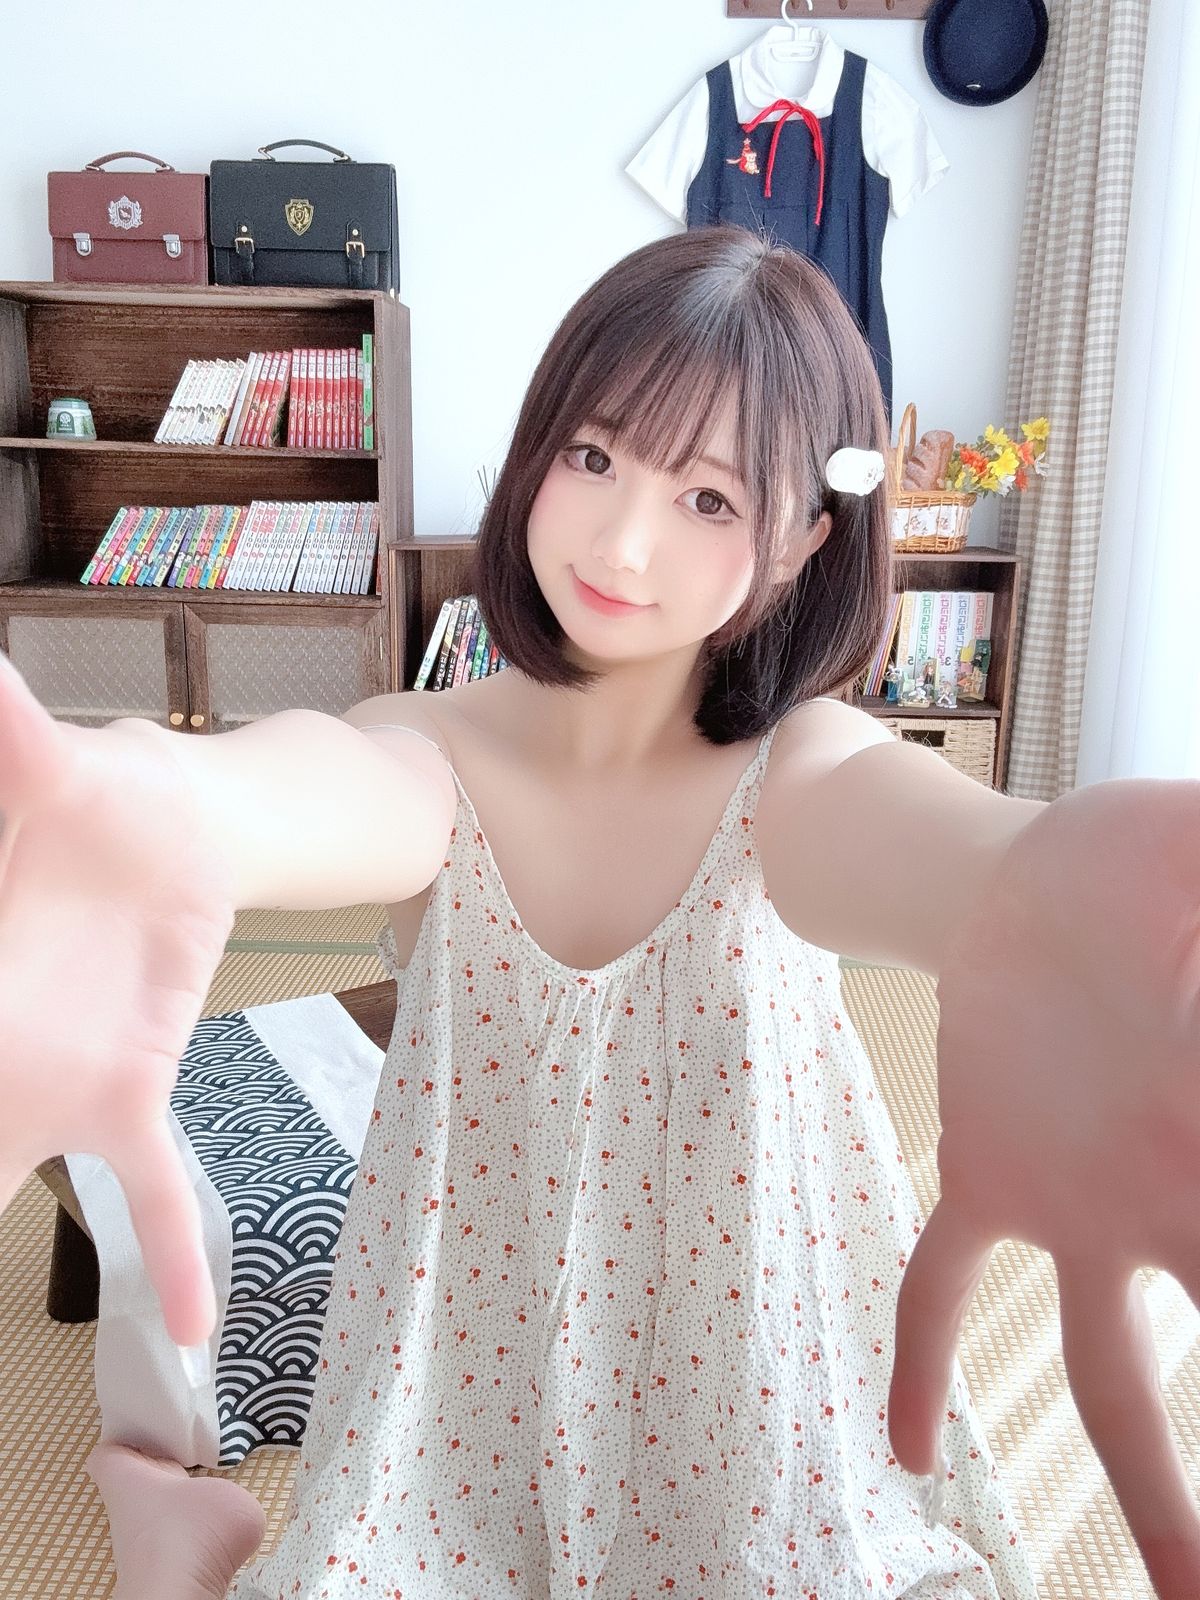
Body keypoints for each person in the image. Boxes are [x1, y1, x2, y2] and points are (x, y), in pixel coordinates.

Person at [1, 225, 1197, 1599]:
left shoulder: (798, 770)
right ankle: (171, 1515)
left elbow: (946, 856)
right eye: (593, 457)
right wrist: (156, 795)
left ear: (806, 536)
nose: (624, 542)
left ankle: (169, 1518)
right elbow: (309, 791)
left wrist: (1050, 892)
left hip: (748, 1396)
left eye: (709, 499)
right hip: (469, 1407)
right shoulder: (432, 746)